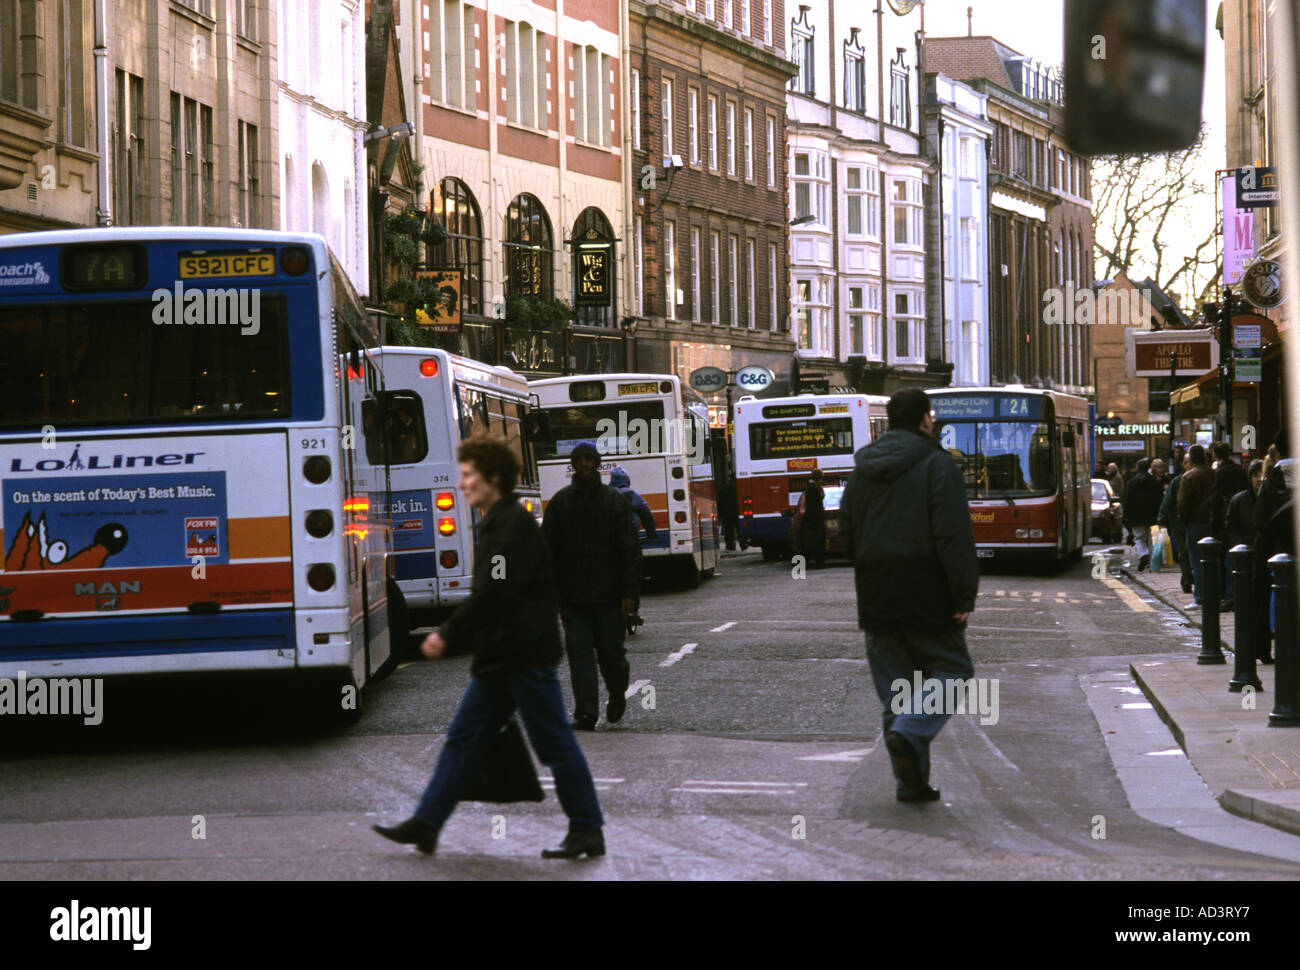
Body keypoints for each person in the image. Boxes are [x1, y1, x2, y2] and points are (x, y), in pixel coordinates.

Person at [372, 434, 606, 859]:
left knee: (554, 742)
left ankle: (588, 828)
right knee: (463, 739)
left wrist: (447, 634)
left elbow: (496, 593)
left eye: (469, 477)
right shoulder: (499, 523)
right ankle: (426, 823)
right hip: (502, 658)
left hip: (522, 657)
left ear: (493, 479)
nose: (462, 485)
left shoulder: (511, 527)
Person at [838, 389, 978, 803]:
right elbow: (953, 535)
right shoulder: (938, 464)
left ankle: (911, 784)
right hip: (929, 591)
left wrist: (869, 564)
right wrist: (963, 595)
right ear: (924, 420)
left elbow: (845, 531)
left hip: (877, 592)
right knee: (953, 671)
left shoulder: (862, 471)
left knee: (898, 690)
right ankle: (911, 730)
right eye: (931, 416)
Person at [543, 441, 641, 731]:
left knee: (612, 655)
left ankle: (616, 692)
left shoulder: (614, 502)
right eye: (580, 460)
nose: (585, 465)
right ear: (572, 465)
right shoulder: (560, 503)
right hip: (573, 599)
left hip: (610, 597)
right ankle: (585, 713)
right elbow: (546, 551)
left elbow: (630, 551)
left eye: (590, 460)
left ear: (598, 464)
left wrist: (630, 594)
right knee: (579, 656)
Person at [1256, 429, 1295, 664]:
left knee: (1272, 597)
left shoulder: (1272, 479)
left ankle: (1270, 645)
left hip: (1276, 551)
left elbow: (1260, 521)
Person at [609, 464, 656, 633]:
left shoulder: (606, 495)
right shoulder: (633, 495)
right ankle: (633, 610)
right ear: (627, 481)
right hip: (630, 541)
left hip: (609, 543)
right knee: (634, 576)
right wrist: (651, 532)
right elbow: (646, 514)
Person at [1212, 441, 1251, 608]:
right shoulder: (1239, 470)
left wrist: (1213, 523)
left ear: (1215, 454)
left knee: (1227, 559)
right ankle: (1240, 594)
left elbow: (1215, 499)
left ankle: (1230, 596)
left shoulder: (1220, 473)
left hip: (1224, 518)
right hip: (1241, 516)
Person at [1177, 444, 1216, 607]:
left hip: (1195, 523)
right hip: (1213, 522)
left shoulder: (1188, 477)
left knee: (1197, 561)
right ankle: (1214, 595)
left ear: (1191, 458)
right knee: (1213, 561)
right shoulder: (1214, 474)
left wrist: (1182, 520)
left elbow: (1182, 503)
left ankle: (1200, 598)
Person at [1158, 454, 1194, 594]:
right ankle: (1186, 580)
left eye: (1191, 462)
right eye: (1187, 463)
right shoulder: (1177, 481)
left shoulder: (1200, 479)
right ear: (1183, 465)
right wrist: (1161, 520)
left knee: (1192, 552)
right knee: (1184, 552)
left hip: (1195, 522)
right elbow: (1167, 502)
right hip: (1179, 524)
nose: (1189, 465)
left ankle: (1193, 578)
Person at [1122, 458, 1163, 571]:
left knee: (1139, 538)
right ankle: (1151, 561)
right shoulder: (1155, 482)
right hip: (1152, 516)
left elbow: (1128, 501)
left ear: (1137, 468)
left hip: (1136, 516)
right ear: (1149, 468)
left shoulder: (1131, 482)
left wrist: (1126, 515)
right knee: (1151, 538)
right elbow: (1159, 500)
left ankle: (1143, 554)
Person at [798, 468, 827, 568]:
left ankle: (817, 562)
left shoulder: (813, 487)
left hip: (813, 521)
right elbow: (815, 506)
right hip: (814, 521)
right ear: (818, 478)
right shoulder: (812, 488)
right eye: (821, 478)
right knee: (815, 543)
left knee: (813, 543)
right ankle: (818, 563)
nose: (822, 481)